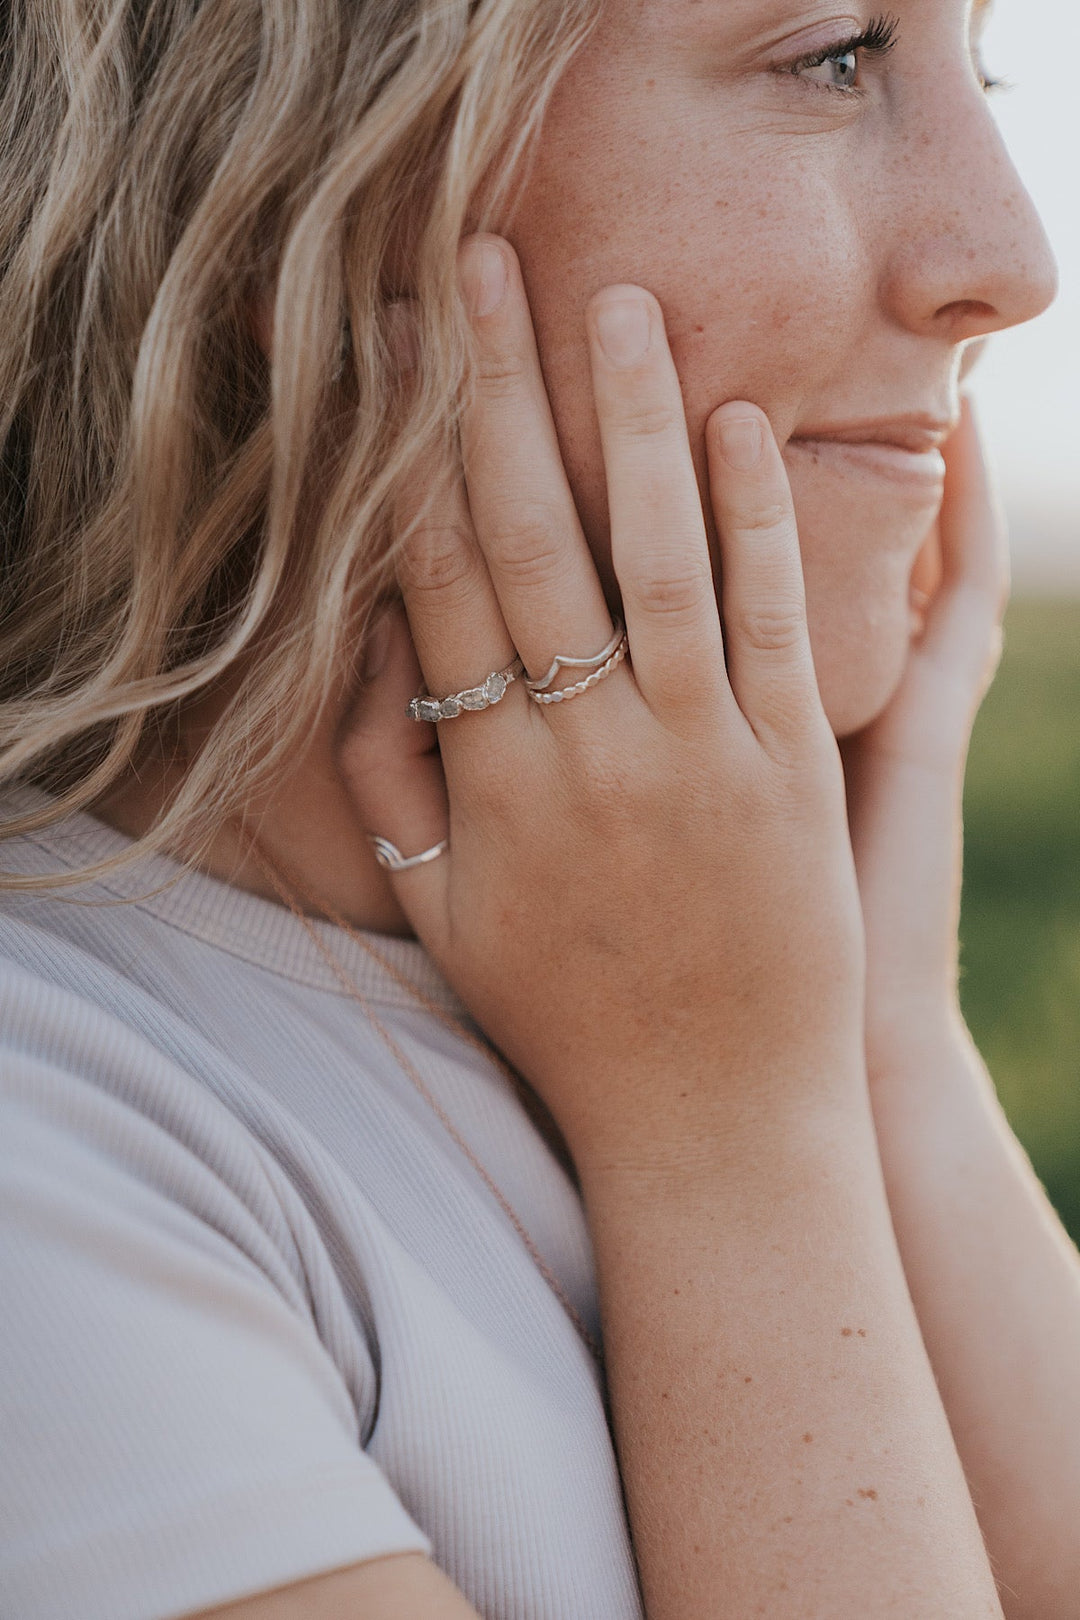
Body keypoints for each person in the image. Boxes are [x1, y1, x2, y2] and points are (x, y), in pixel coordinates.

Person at [1, 0, 1078, 1616]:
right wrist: (724, 1138)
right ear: (288, 169)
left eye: (975, 65)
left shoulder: (743, 995)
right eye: (835, 57)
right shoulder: (50, 1163)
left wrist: (874, 1037)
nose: (1009, 253)